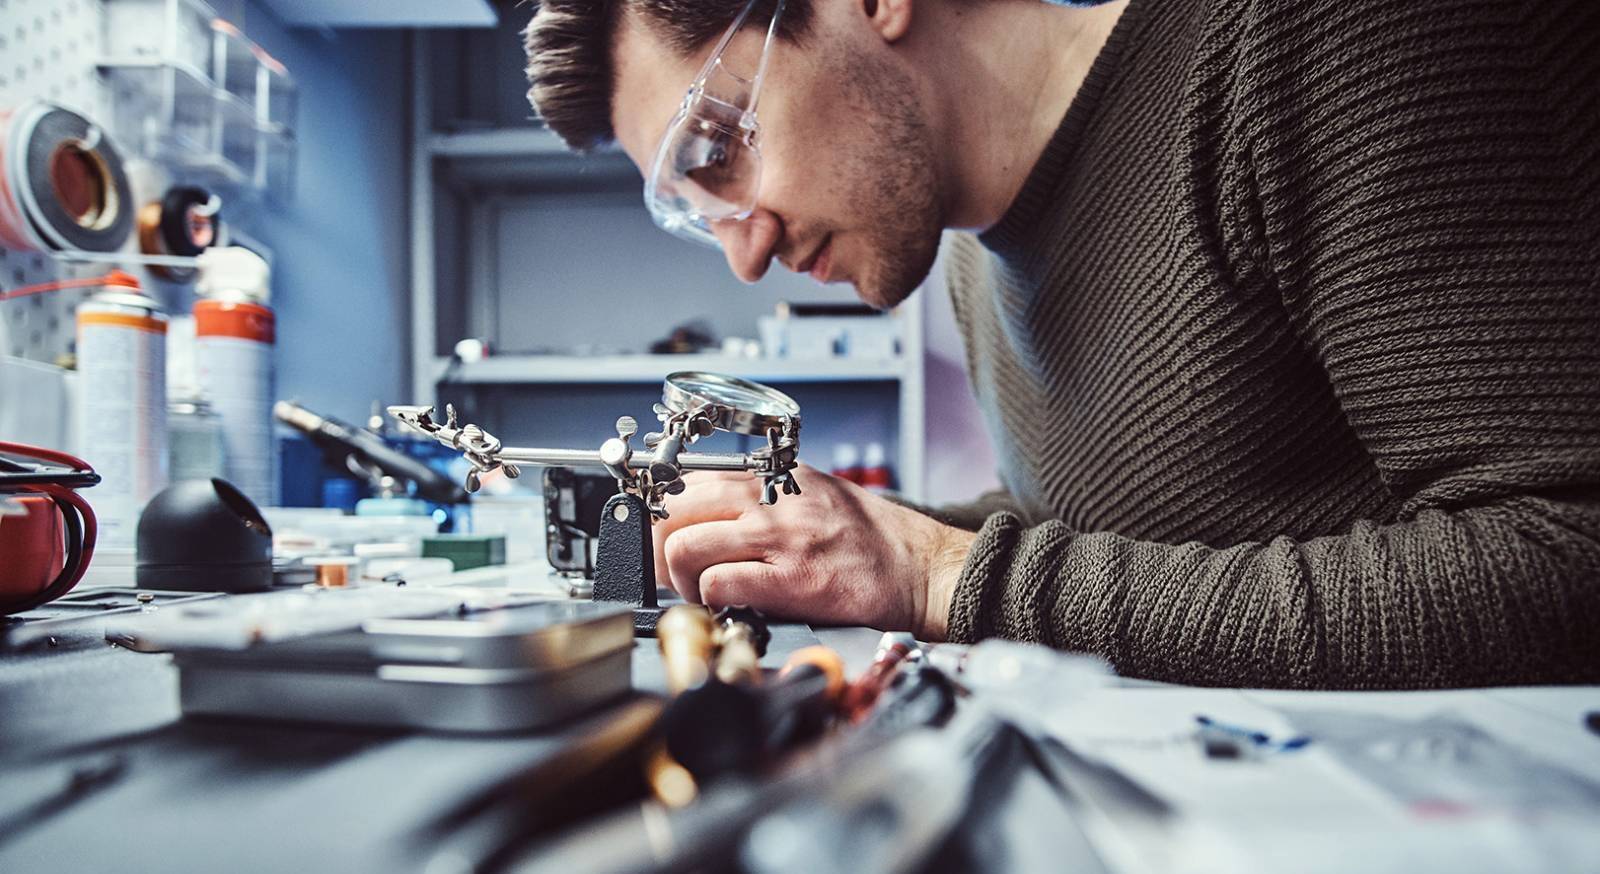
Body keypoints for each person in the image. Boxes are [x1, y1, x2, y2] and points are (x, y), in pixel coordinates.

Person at [521, 0, 1600, 687]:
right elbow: (1095, 532)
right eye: (693, 209)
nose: (742, 253)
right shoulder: (971, 265)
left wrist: (943, 574)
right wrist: (831, 547)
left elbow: (1566, 555)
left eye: (714, 149)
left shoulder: (1312, 41)